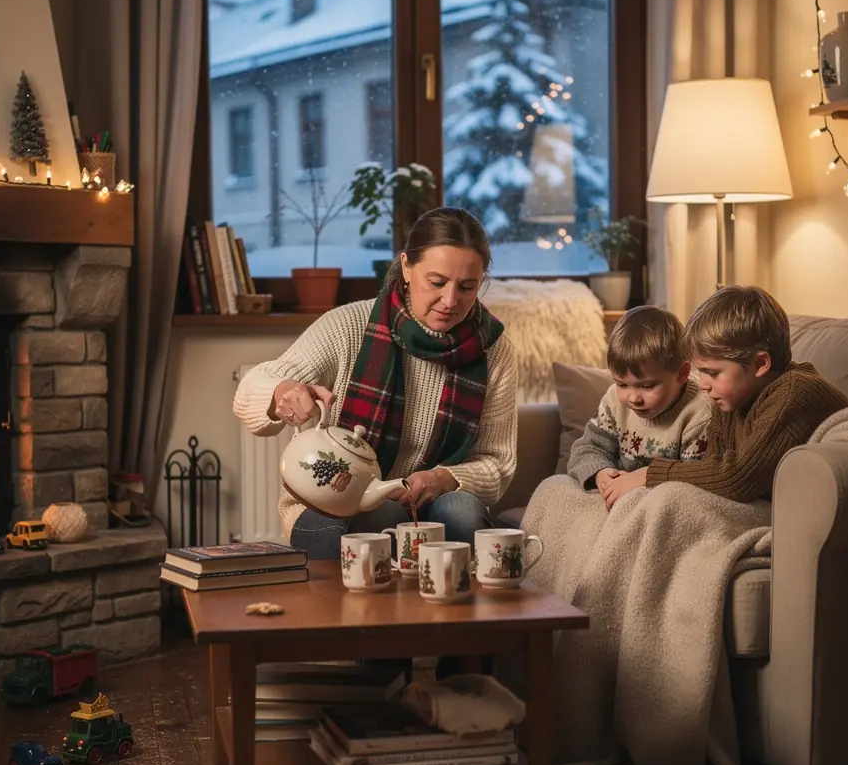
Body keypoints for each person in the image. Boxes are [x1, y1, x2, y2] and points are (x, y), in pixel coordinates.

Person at [233, 207, 517, 560]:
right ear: (407, 267)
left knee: (460, 511)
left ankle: (456, 614)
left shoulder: (494, 350)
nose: (450, 301)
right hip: (339, 502)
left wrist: (442, 478)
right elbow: (251, 388)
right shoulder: (350, 325)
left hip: (435, 500)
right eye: (437, 282)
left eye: (467, 287)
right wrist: (280, 393)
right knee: (384, 515)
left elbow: (497, 462)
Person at [600, 285, 848, 508]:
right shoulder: (729, 399)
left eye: (712, 372)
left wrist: (647, 475)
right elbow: (713, 466)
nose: (704, 384)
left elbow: (736, 478)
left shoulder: (794, 393)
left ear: (759, 363)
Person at [567, 306, 711, 509]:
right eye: (622, 384)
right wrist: (601, 474)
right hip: (619, 495)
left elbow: (696, 479)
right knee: (553, 486)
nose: (633, 398)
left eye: (647, 386)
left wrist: (641, 482)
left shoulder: (698, 411)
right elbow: (587, 449)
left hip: (666, 503)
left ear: (682, 374)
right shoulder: (613, 401)